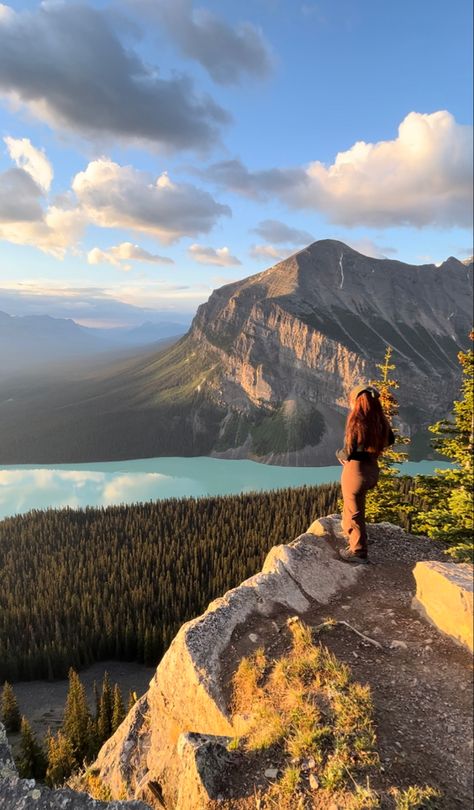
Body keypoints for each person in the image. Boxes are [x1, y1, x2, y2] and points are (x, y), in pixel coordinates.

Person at [336, 383, 394, 563]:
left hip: (356, 471)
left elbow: (349, 451)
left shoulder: (357, 422)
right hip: (372, 469)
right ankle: (352, 535)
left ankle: (358, 551)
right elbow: (390, 440)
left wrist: (339, 454)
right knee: (354, 506)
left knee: (354, 511)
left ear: (356, 401)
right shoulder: (380, 421)